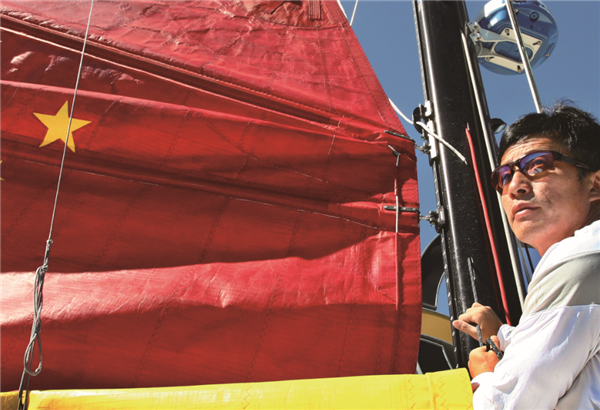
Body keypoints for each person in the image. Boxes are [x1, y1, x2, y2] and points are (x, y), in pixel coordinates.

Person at [452, 101, 600, 409]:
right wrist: (506, 336)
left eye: (538, 165)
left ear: (594, 184)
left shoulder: (580, 257)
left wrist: (487, 375)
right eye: (504, 176)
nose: (514, 186)